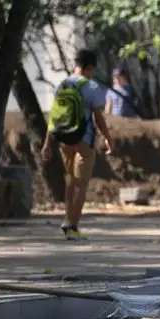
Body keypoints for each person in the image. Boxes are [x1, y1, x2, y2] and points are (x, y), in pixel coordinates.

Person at [41, 49, 114, 241]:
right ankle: (72, 226)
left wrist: (47, 144)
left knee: (71, 181)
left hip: (64, 140)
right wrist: (108, 138)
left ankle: (68, 218)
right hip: (84, 140)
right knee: (81, 185)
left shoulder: (62, 85)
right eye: (93, 69)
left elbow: (54, 117)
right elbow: (98, 118)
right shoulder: (91, 87)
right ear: (89, 67)